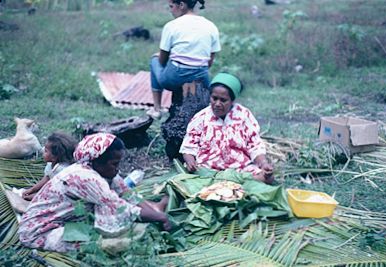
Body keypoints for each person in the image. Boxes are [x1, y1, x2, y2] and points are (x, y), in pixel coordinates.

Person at [19, 133, 171, 252]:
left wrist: (154, 212)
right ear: (95, 162)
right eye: (114, 164)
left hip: (67, 222)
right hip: (41, 231)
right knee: (112, 243)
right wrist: (161, 217)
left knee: (131, 230)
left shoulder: (104, 172)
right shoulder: (85, 177)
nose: (117, 169)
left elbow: (127, 195)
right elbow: (119, 207)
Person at [179, 73, 274, 184]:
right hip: (207, 170)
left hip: (239, 169)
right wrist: (190, 161)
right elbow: (189, 146)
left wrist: (263, 164)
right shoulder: (201, 117)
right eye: (214, 98)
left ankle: (227, 184)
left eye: (223, 100)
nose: (217, 104)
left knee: (267, 178)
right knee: (182, 181)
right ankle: (230, 185)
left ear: (232, 100)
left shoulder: (243, 115)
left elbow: (255, 145)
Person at [147, 0, 221, 119]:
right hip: (202, 77)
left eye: (171, 6)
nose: (170, 10)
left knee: (154, 60)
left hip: (175, 77)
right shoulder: (210, 25)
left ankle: (157, 109)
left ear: (181, 5)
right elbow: (210, 60)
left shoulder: (171, 25)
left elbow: (162, 60)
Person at [22, 132, 77, 201]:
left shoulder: (61, 169)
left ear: (54, 157)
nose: (43, 152)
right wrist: (32, 190)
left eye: (46, 151)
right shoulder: (50, 164)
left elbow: (54, 191)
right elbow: (47, 178)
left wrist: (36, 196)